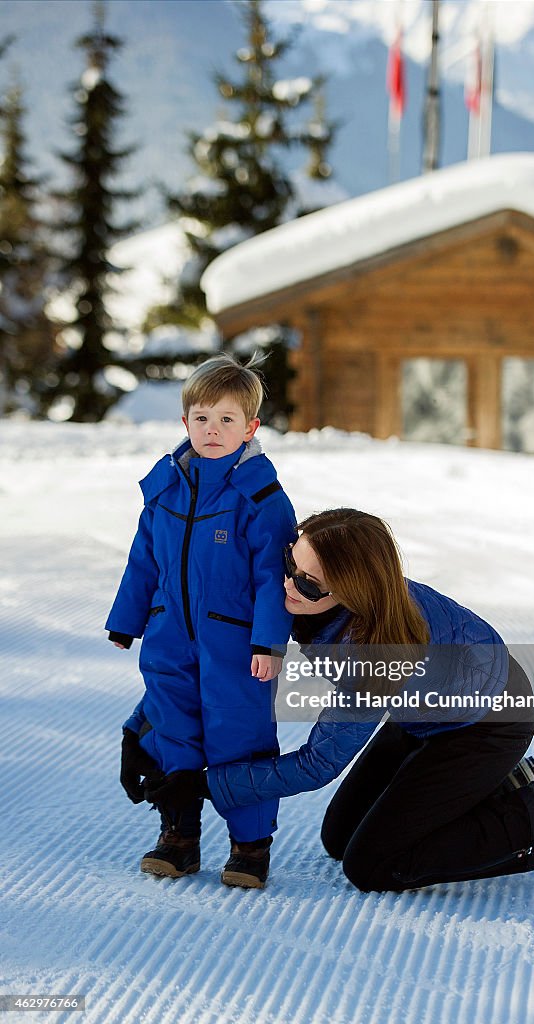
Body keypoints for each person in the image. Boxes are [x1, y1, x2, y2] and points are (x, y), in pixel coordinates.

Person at [136, 508, 534, 896]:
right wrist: (141, 725)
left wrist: (204, 785)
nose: (289, 586)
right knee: (339, 838)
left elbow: (318, 765)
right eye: (289, 565)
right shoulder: (343, 592)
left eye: (310, 585)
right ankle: (498, 784)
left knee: (374, 866)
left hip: (486, 725)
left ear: (353, 589)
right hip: (429, 711)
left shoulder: (373, 656)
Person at [108, 354, 297, 888]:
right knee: (174, 731)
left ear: (251, 427)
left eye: (227, 420)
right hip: (169, 638)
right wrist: (127, 619)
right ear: (185, 422)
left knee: (239, 736)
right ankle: (179, 836)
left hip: (235, 647)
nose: (213, 430)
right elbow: (143, 558)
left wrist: (269, 643)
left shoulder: (259, 498)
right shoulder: (165, 488)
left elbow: (271, 579)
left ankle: (250, 845)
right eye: (203, 418)